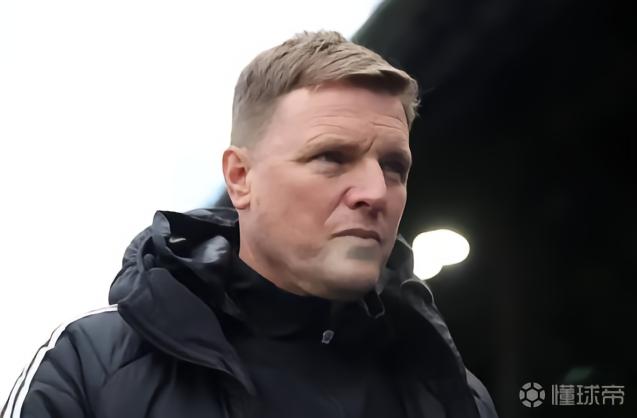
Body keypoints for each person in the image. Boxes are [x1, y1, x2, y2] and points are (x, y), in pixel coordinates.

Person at [2, 31, 498, 418]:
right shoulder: (89, 366)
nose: (374, 192)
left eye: (393, 167)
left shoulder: (454, 394)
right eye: (331, 157)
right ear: (240, 178)